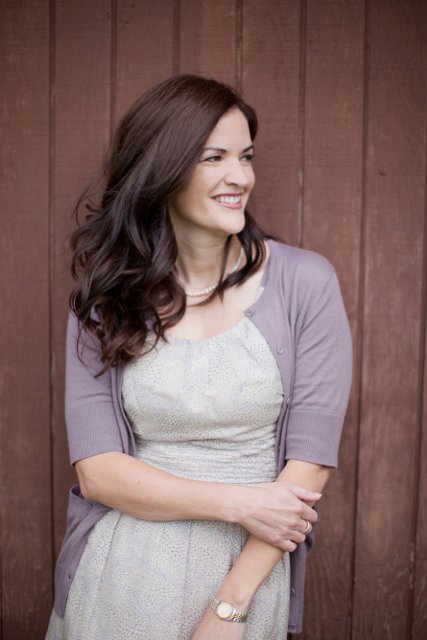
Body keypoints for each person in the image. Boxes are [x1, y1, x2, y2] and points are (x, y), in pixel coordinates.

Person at [45, 73, 352, 640]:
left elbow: (309, 464)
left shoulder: (306, 282)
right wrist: (240, 504)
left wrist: (229, 609)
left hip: (247, 573)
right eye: (215, 158)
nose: (241, 177)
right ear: (161, 171)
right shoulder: (106, 299)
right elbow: (98, 472)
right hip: (122, 573)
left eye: (246, 156)